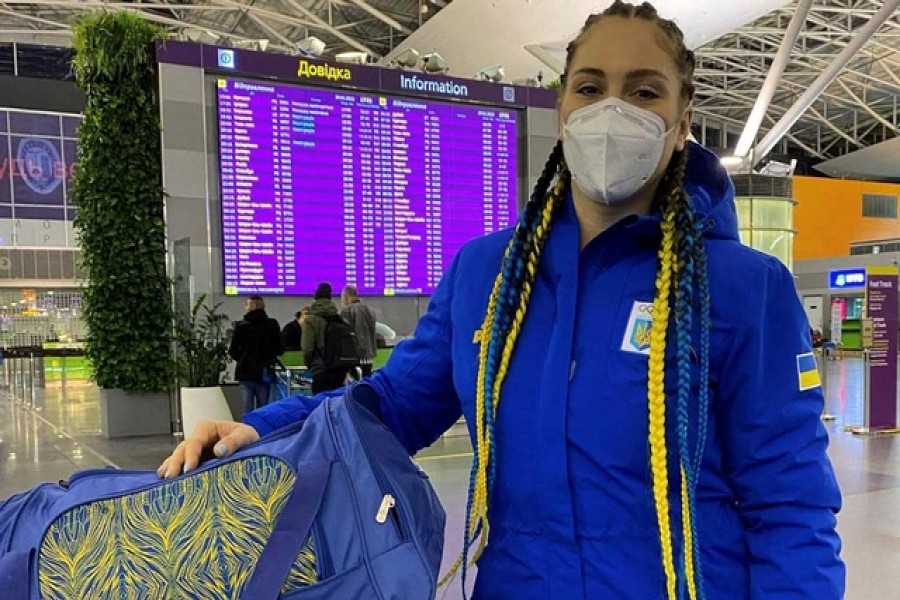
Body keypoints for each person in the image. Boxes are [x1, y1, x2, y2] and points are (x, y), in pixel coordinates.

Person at [160, 3, 845, 598]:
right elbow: (394, 405)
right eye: (591, 86)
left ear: (682, 119)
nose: (614, 110)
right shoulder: (487, 273)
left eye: (644, 91)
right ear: (563, 107)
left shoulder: (744, 287)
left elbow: (791, 505)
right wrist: (263, 429)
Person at [228, 296, 282, 416]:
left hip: (245, 372)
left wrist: (243, 359)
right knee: (264, 409)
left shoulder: (241, 326)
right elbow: (279, 348)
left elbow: (233, 350)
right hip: (264, 372)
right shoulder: (272, 325)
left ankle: (247, 432)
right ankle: (263, 432)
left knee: (247, 408)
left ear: (250, 307)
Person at [302, 283, 354, 393]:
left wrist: (309, 364)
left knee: (320, 403)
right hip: (339, 368)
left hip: (320, 368)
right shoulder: (339, 318)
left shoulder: (311, 320)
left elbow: (307, 347)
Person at [340, 285, 378, 377]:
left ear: (345, 297)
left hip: (355, 356)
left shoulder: (347, 311)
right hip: (370, 355)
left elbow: (345, 334)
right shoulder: (370, 310)